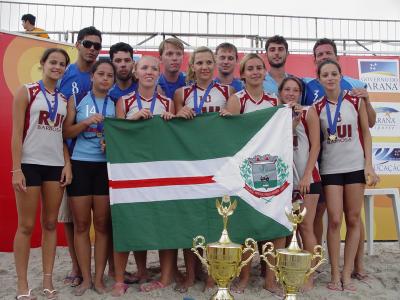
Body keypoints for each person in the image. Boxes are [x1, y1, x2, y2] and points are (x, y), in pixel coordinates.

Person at [303, 38, 376, 281]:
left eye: (334, 73)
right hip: (331, 169)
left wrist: (369, 165)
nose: (331, 77)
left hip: (355, 167)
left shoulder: (356, 100)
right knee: (334, 220)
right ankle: (334, 273)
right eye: (326, 74)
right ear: (319, 79)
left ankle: (347, 273)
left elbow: (366, 133)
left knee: (354, 219)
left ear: (341, 75)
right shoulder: (316, 107)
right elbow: (314, 143)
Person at [111, 56, 175, 296]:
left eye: (154, 69)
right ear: (136, 72)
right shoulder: (124, 101)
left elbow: (174, 141)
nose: (150, 72)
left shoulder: (168, 102)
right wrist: (131, 120)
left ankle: (165, 277)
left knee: (165, 224)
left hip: (161, 172)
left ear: (159, 74)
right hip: (132, 173)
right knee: (128, 222)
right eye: (145, 68)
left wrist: (173, 119)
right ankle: (120, 278)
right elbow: (117, 137)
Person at [11, 48, 71, 300]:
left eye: (61, 64)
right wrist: (16, 169)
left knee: (49, 224)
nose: (56, 67)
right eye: (53, 62)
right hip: (30, 164)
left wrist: (67, 164)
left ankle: (48, 280)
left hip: (55, 165)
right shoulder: (27, 91)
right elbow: (16, 133)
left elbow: (62, 136)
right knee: (25, 226)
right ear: (43, 63)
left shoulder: (65, 99)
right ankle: (23, 285)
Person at [220, 53, 283, 296]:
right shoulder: (237, 99)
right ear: (242, 74)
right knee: (245, 224)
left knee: (273, 221)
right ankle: (244, 277)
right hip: (245, 169)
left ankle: (270, 278)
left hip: (269, 168)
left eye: (259, 68)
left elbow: (279, 134)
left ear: (265, 72)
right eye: (250, 68)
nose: (255, 72)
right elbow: (231, 138)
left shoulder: (273, 99)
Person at [173, 46, 232, 292]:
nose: (205, 67)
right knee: (190, 220)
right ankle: (190, 274)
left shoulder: (228, 91)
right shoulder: (180, 92)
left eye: (209, 62)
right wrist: (178, 112)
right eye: (200, 63)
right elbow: (174, 126)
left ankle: (211, 274)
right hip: (190, 163)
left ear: (215, 65)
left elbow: (234, 126)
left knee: (217, 220)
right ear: (193, 66)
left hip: (218, 164)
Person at [63, 60, 116, 296]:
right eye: (101, 74)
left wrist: (110, 143)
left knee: (103, 226)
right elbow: (65, 133)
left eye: (109, 76)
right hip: (81, 165)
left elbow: (123, 136)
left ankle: (99, 279)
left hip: (105, 168)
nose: (105, 79)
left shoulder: (117, 104)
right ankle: (85, 278)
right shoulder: (77, 100)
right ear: (92, 76)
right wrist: (85, 122)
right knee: (82, 225)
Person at [58, 26, 102, 288]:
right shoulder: (66, 75)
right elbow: (59, 126)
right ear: (77, 44)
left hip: (100, 158)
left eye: (97, 45)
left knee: (102, 221)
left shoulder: (103, 74)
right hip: (72, 156)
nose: (92, 49)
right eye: (88, 43)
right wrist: (66, 161)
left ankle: (97, 272)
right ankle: (76, 266)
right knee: (72, 218)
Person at [278, 76, 321, 291]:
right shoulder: (275, 115)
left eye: (295, 90)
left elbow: (315, 146)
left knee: (306, 226)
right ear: (280, 92)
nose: (291, 93)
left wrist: (305, 176)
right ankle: (289, 270)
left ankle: (310, 276)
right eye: (287, 89)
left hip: (307, 177)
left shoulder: (308, 111)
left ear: (300, 93)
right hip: (285, 180)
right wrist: (290, 123)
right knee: (287, 229)